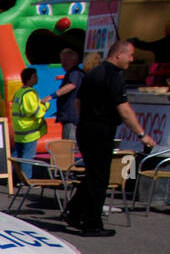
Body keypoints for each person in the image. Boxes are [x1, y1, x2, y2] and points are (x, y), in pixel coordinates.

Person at [63, 40, 158, 236]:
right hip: (100, 131)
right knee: (100, 178)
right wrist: (142, 134)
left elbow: (78, 102)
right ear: (118, 55)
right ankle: (92, 224)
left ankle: (74, 212)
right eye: (130, 56)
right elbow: (124, 110)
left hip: (86, 128)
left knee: (92, 174)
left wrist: (86, 120)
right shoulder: (113, 76)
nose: (131, 60)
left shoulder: (93, 73)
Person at [10, 67, 49, 173]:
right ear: (28, 79)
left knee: (17, 155)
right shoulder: (29, 94)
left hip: (20, 130)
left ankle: (12, 176)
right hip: (29, 131)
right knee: (28, 156)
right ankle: (26, 179)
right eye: (35, 76)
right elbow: (35, 112)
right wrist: (45, 105)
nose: (37, 78)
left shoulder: (19, 92)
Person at [52, 47, 83, 144]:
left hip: (71, 117)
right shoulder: (71, 73)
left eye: (65, 61)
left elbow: (71, 85)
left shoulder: (75, 73)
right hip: (69, 116)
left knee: (69, 145)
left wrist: (52, 96)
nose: (62, 64)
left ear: (73, 61)